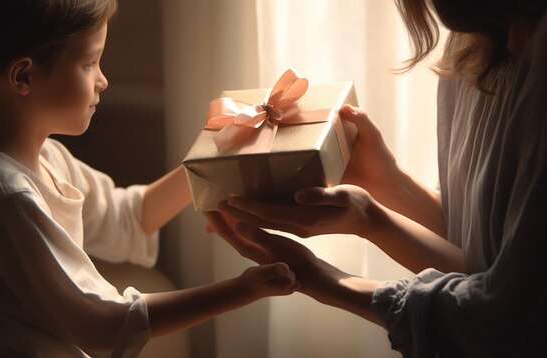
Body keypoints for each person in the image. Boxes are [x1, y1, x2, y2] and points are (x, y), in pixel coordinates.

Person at [0, 0, 298, 356]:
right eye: (90, 62)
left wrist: (217, 152)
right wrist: (245, 289)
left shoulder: (47, 160)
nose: (103, 80)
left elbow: (129, 216)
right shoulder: (8, 200)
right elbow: (103, 323)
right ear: (24, 76)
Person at [207, 0, 547, 356]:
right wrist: (385, 185)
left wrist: (320, 278)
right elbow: (482, 253)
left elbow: (504, 323)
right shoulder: (469, 44)